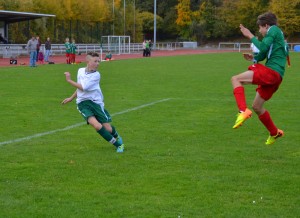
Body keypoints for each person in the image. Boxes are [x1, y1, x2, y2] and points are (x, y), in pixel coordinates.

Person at [231, 12, 287, 145]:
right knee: (257, 106)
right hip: (277, 76)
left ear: (266, 25)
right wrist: (254, 58)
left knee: (235, 79)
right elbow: (263, 52)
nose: (260, 31)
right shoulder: (276, 33)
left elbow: (262, 46)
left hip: (272, 72)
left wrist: (250, 35)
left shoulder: (273, 30)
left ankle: (242, 111)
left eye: (260, 28)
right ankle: (274, 132)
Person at [61, 52, 125, 153]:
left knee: (107, 128)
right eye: (95, 61)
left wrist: (69, 80)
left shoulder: (96, 75)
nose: (98, 63)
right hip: (83, 104)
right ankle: (118, 145)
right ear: (88, 61)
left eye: (98, 61)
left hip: (96, 103)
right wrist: (71, 98)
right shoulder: (80, 70)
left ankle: (117, 136)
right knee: (96, 126)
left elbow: (84, 88)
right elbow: (79, 88)